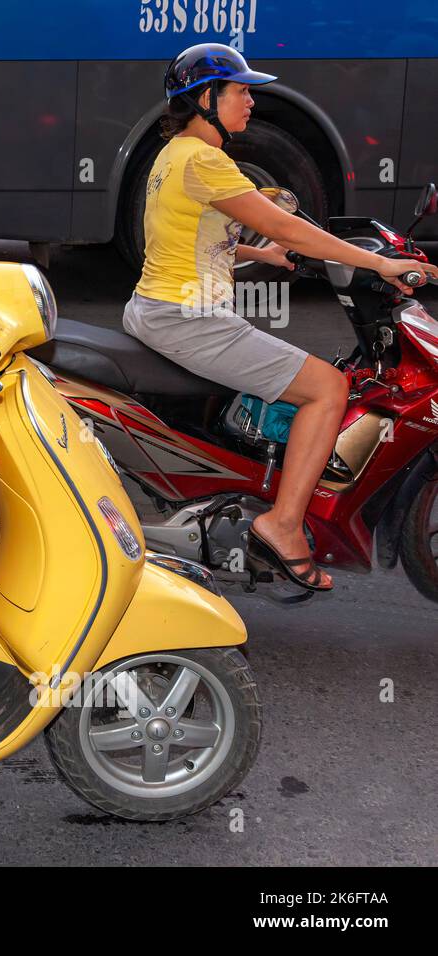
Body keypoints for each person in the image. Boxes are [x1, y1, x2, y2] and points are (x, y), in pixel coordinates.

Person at [126, 43, 438, 591]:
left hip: (159, 308)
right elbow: (291, 226)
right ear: (206, 98)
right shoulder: (205, 160)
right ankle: (284, 525)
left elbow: (179, 238)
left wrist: (259, 255)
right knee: (327, 388)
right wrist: (381, 263)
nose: (251, 101)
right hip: (187, 318)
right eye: (241, 91)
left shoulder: (170, 155)